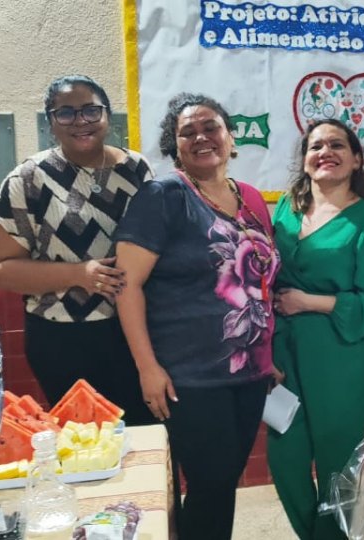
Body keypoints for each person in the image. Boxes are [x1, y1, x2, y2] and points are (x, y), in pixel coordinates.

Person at [112, 93, 279, 539]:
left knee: (223, 484)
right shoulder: (164, 195)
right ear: (175, 144)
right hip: (191, 375)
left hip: (250, 373)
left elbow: (259, 281)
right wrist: (148, 369)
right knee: (210, 482)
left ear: (230, 136)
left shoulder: (251, 198)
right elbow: (126, 286)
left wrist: (267, 354)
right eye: (188, 132)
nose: (202, 137)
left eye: (211, 127)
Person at [0, 74, 156, 425]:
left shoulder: (137, 170)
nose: (80, 122)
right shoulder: (28, 179)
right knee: (87, 443)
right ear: (51, 122)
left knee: (149, 432)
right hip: (64, 339)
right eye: (66, 113)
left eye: (91, 111)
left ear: (107, 116)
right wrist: (78, 274)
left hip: (138, 330)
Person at [267, 119, 364, 540]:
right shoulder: (285, 209)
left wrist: (307, 301)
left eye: (338, 145)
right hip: (283, 351)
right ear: (304, 161)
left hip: (338, 352)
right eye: (316, 145)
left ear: (357, 158)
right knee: (284, 455)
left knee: (338, 462)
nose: (326, 152)